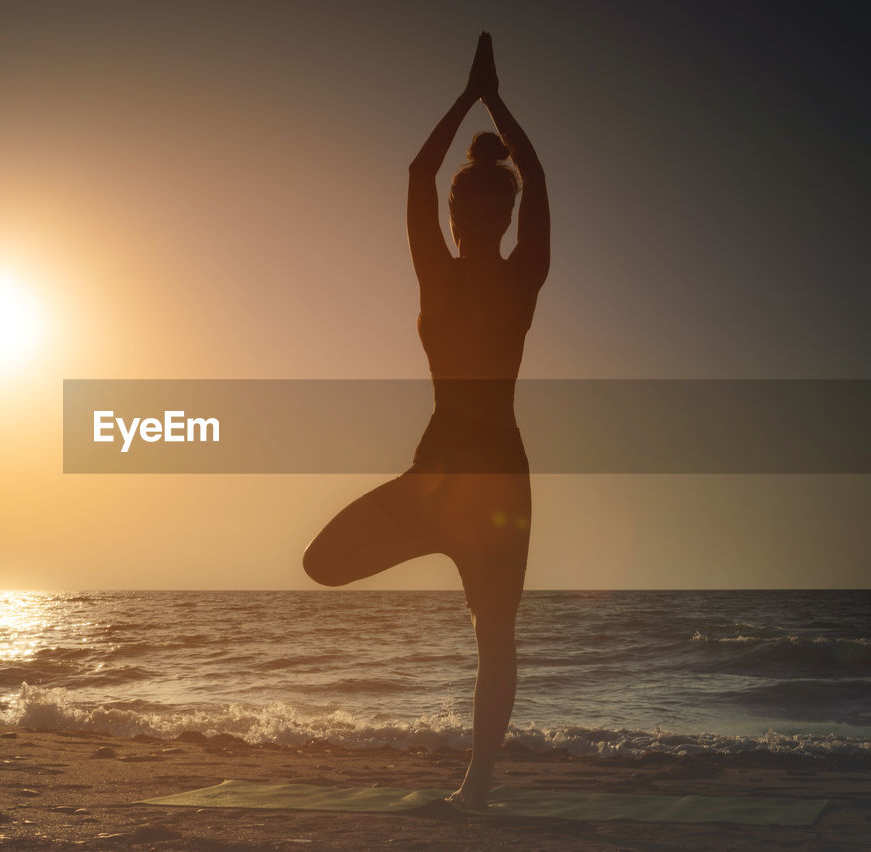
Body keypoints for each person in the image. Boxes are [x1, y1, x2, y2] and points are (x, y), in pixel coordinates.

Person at [302, 32, 549, 809]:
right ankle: (437, 541)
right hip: (473, 473)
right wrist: (489, 100)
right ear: (477, 211)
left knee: (491, 631)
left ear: (487, 211)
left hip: (462, 473)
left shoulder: (478, 277)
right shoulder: (494, 277)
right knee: (332, 566)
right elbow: (513, 171)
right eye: (481, 201)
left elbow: (437, 171)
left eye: (489, 201)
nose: (484, 211)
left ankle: (477, 779)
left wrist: (477, 98)